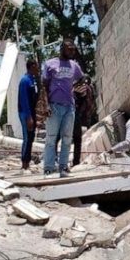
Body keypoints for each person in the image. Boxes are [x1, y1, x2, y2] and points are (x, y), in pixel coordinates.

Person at [41, 39, 83, 177]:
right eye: (69, 49)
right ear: (62, 49)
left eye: (73, 49)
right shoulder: (49, 64)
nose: (72, 51)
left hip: (69, 107)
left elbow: (82, 79)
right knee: (51, 138)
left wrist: (76, 89)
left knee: (67, 138)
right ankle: (48, 167)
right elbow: (44, 87)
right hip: (54, 106)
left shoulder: (74, 66)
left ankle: (63, 167)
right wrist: (46, 105)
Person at [18, 59, 40, 171]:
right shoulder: (25, 81)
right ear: (31, 66)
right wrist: (28, 117)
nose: (38, 68)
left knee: (31, 137)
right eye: (37, 66)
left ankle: (28, 161)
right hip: (26, 113)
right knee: (27, 137)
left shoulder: (34, 80)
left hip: (32, 111)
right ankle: (24, 163)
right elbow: (24, 100)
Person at [71, 75, 95, 166]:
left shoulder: (74, 88)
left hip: (74, 113)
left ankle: (75, 161)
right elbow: (88, 103)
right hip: (75, 113)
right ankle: (76, 162)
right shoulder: (83, 89)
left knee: (75, 138)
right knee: (77, 138)